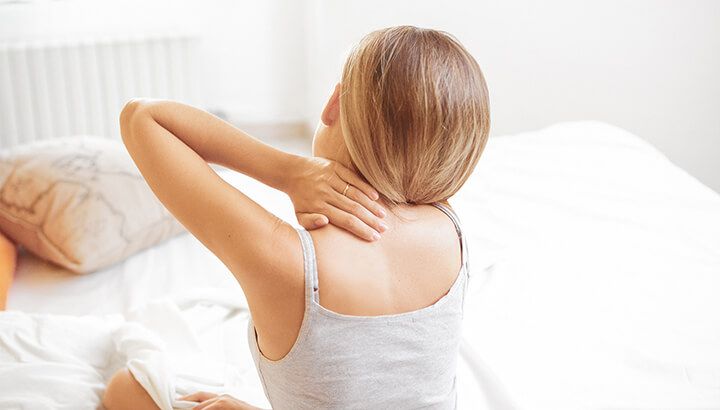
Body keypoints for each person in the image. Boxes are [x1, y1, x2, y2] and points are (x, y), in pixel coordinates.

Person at [103, 25, 490, 410]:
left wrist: (288, 171)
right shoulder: (450, 231)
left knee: (125, 388)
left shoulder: (287, 261)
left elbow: (143, 118)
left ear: (333, 104)